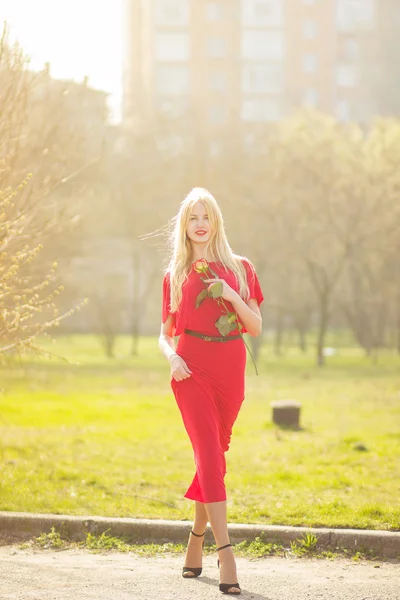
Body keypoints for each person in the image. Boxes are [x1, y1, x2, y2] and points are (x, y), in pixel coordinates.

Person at [158, 188, 264, 595]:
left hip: (230, 369)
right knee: (207, 453)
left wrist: (230, 291)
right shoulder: (176, 274)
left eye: (205, 216)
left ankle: (195, 540)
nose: (199, 224)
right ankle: (227, 554)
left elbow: (253, 326)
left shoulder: (241, 268)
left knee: (214, 456)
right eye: (191, 218)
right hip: (190, 371)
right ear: (183, 226)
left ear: (216, 221)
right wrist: (172, 358)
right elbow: (165, 334)